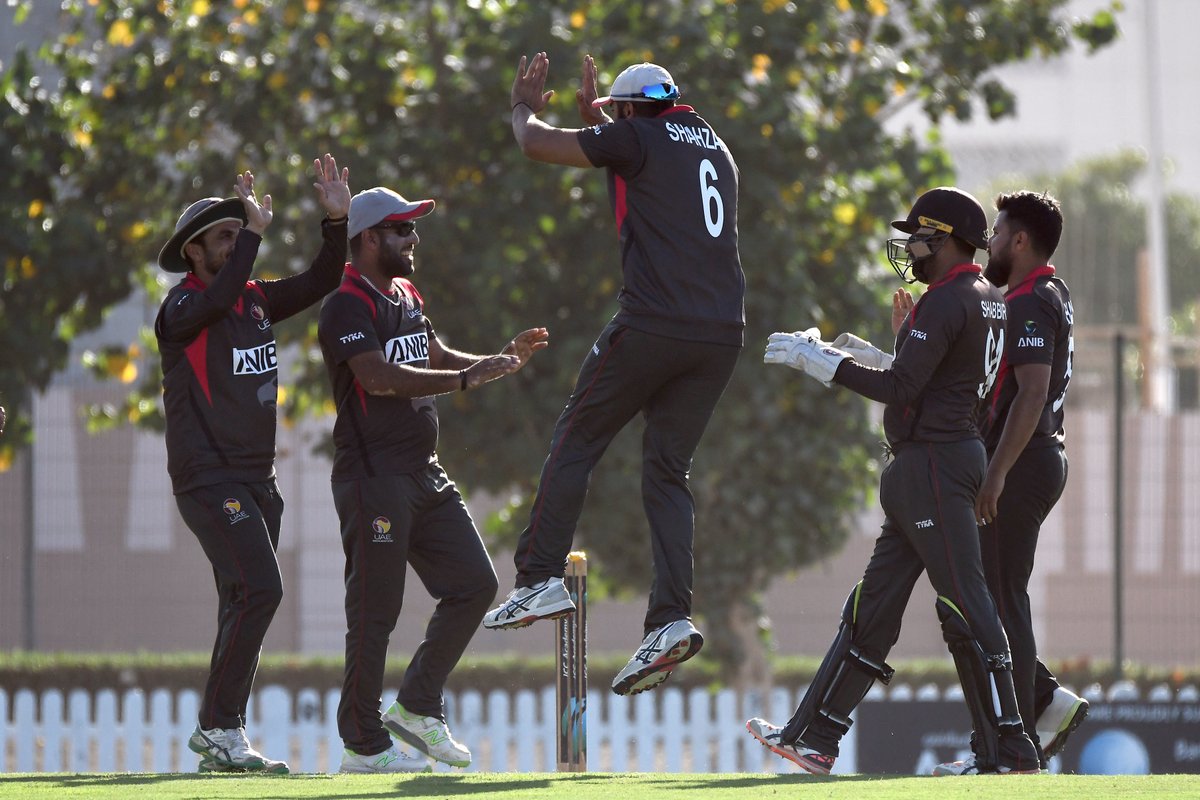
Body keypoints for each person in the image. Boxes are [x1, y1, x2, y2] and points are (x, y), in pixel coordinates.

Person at [745, 186, 1040, 775]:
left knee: (967, 606)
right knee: (872, 606)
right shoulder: (986, 298)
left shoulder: (949, 297)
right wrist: (902, 339)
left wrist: (821, 362)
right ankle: (814, 736)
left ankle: (1009, 748)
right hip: (936, 463)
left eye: (921, 236)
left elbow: (902, 388)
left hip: (933, 464)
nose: (911, 247)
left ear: (952, 238)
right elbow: (932, 380)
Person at [482, 53, 745, 698]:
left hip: (655, 321)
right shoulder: (714, 147)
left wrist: (522, 106)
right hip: (719, 335)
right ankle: (672, 618)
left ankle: (537, 576)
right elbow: (648, 144)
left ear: (629, 111)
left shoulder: (634, 136)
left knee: (578, 435)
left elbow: (535, 145)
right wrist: (603, 117)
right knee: (666, 470)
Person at [318, 186, 549, 774]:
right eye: (402, 230)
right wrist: (465, 382)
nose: (412, 239)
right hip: (374, 477)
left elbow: (432, 351)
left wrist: (486, 364)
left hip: (422, 473)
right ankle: (362, 745)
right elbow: (377, 378)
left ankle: (418, 704)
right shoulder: (345, 304)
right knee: (376, 609)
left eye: (411, 229)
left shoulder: (405, 291)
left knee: (474, 582)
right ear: (369, 239)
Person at [155, 155, 351, 774]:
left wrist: (338, 221)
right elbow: (214, 301)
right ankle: (219, 727)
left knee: (241, 599)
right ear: (194, 252)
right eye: (225, 238)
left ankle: (220, 736)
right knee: (263, 588)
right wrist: (257, 233)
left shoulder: (257, 299)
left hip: (256, 481)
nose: (237, 245)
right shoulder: (181, 309)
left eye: (239, 236)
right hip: (209, 480)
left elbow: (322, 279)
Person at [934, 190, 1086, 774]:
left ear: (1019, 241)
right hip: (1033, 459)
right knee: (993, 598)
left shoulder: (1030, 300)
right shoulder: (1047, 292)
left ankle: (1008, 748)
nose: (990, 243)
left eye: (996, 233)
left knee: (998, 600)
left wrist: (994, 475)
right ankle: (1040, 703)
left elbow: (1031, 393)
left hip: (1023, 463)